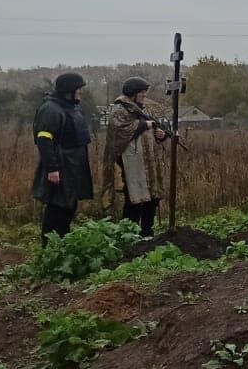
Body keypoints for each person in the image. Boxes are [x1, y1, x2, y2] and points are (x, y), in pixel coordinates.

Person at [99, 76, 169, 237]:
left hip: (149, 163)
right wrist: (144, 125)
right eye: (142, 92)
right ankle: (129, 234)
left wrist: (161, 134)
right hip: (130, 163)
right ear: (132, 93)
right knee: (134, 200)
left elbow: (155, 128)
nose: (145, 95)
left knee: (152, 198)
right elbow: (120, 133)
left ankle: (147, 232)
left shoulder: (143, 109)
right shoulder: (119, 110)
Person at [31, 72, 94, 244]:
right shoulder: (51, 110)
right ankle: (50, 249)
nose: (80, 93)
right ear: (68, 90)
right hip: (60, 167)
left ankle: (63, 245)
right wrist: (52, 169)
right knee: (57, 208)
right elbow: (44, 140)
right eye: (78, 89)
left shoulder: (70, 107)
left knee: (68, 206)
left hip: (73, 167)